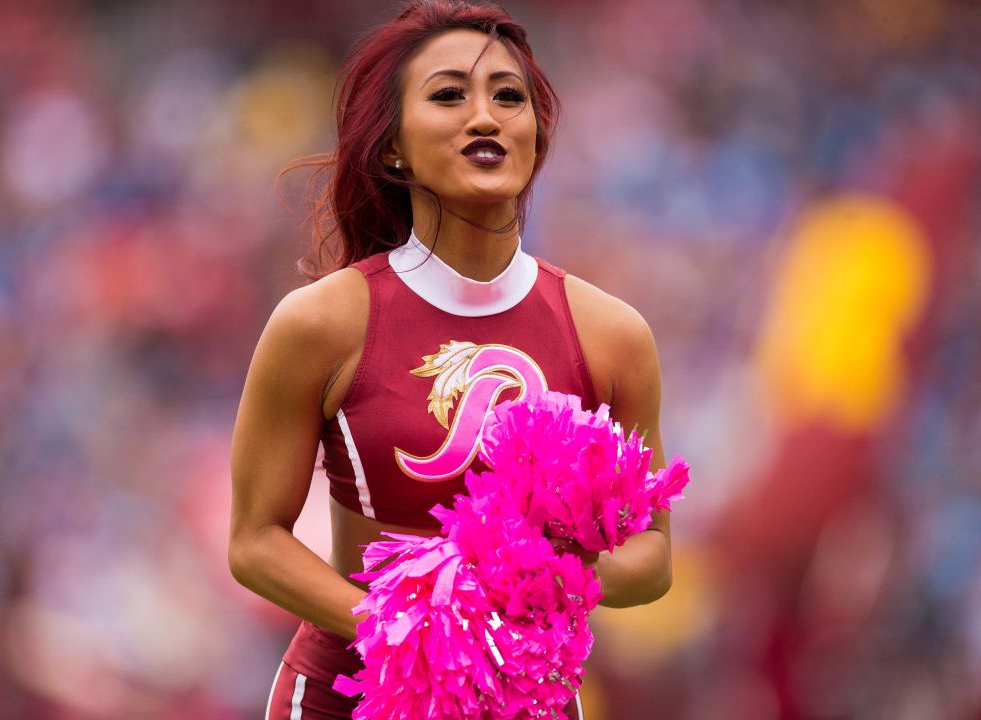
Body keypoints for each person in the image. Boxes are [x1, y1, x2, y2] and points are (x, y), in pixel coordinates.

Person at [228, 2, 673, 717]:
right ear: (393, 146)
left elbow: (652, 554)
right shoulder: (323, 323)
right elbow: (254, 542)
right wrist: (406, 632)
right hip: (352, 694)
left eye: (508, 96)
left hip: (527, 700)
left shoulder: (612, 334)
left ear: (536, 135)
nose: (486, 116)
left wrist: (549, 577)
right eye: (447, 95)